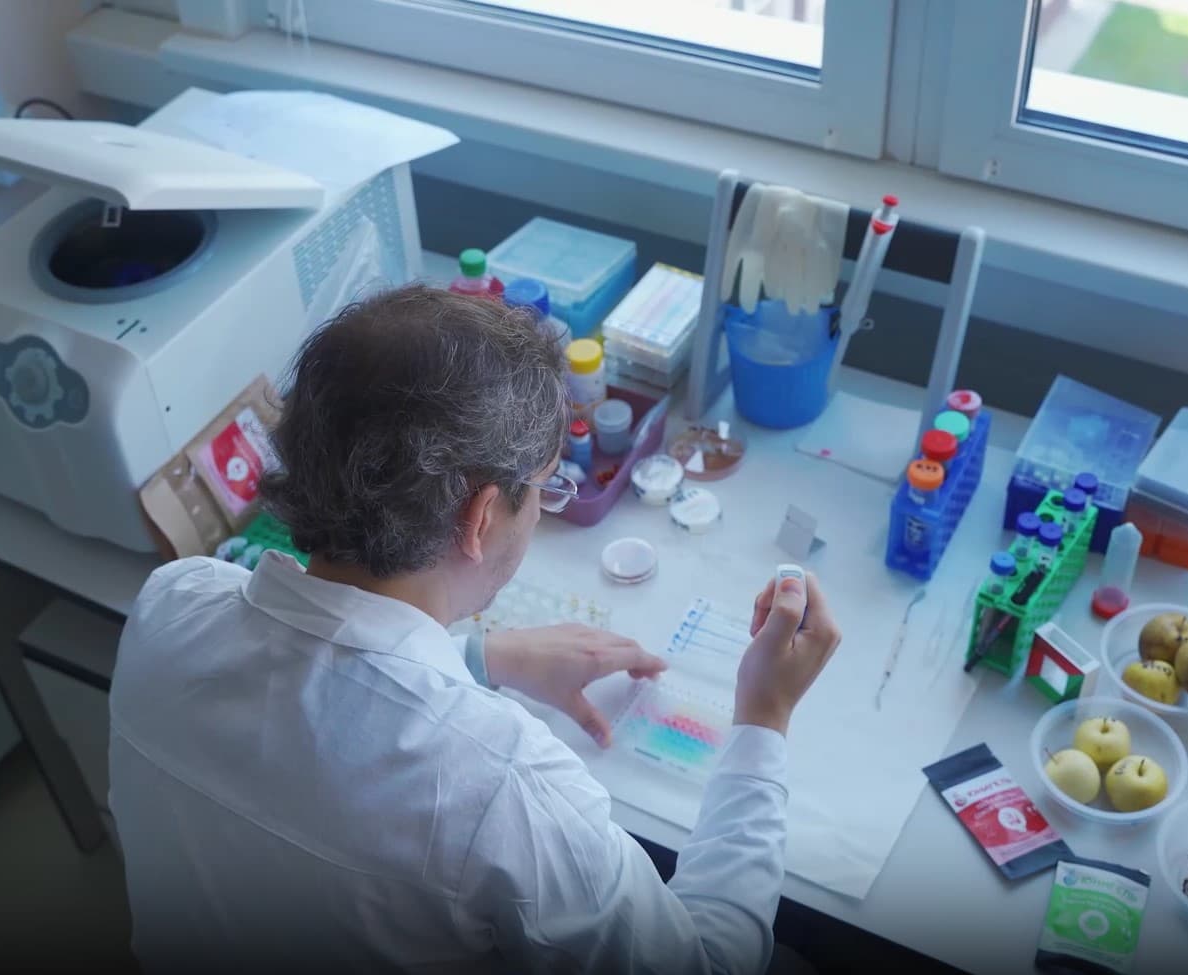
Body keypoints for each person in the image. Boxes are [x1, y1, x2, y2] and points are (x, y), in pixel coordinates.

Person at [108, 285, 842, 974]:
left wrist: (482, 657)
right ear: (482, 516)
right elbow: (708, 962)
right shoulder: (502, 785)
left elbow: (328, 691)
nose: (545, 508)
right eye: (546, 487)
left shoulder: (175, 600)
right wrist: (763, 717)